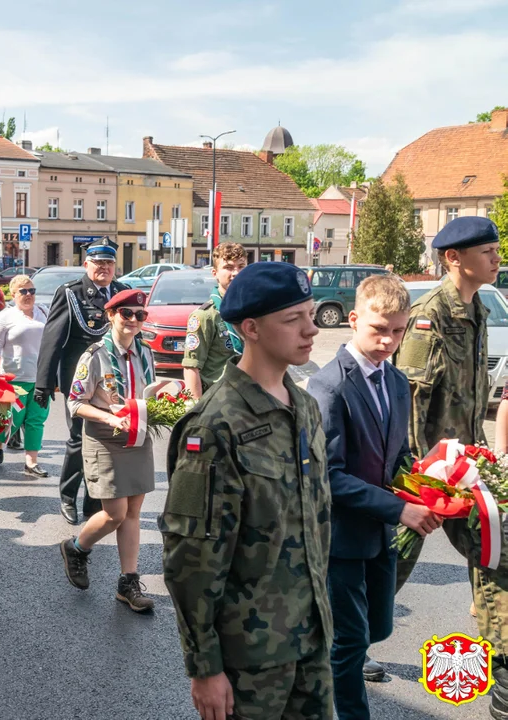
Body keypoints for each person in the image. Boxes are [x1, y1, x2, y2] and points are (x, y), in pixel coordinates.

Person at [159, 262, 331, 720]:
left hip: (310, 640)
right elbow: (190, 561)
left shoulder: (306, 408)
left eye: (311, 314)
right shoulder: (215, 426)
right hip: (248, 659)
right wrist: (204, 667)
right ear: (251, 328)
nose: (311, 329)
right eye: (294, 319)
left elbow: (317, 524)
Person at [307, 274, 442, 719]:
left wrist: (435, 486)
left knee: (376, 628)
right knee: (350, 640)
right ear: (353, 319)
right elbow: (331, 475)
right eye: (378, 329)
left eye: (398, 331)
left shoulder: (398, 382)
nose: (388, 340)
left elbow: (398, 455)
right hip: (342, 536)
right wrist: (400, 508)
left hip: (381, 532)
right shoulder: (330, 386)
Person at [391, 217, 508, 714]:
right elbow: (411, 402)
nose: (497, 258)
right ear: (453, 258)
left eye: (497, 249)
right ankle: (336, 645)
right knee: (389, 562)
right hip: (427, 471)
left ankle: (501, 665)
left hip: (465, 462)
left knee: (495, 547)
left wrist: (480, 460)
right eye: (487, 250)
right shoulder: (429, 315)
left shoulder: (476, 306)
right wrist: (422, 482)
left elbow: (473, 396)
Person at [58, 288, 159, 614]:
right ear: (111, 315)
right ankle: (77, 548)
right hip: (105, 439)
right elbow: (76, 402)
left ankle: (128, 582)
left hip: (137, 439)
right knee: (114, 513)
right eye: (126, 314)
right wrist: (108, 416)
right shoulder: (95, 355)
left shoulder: (145, 353)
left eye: (139, 315)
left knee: (133, 512)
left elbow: (149, 393)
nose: (133, 320)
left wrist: (167, 401)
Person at [34, 237, 129, 525]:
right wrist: (44, 382)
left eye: (109, 263)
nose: (104, 268)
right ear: (86, 264)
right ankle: (67, 496)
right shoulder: (71, 293)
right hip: (80, 380)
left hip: (113, 382)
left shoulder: (121, 292)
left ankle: (93, 499)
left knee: (107, 439)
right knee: (78, 439)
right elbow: (53, 339)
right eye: (98, 262)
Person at [0, 273, 49, 475]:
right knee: (11, 419)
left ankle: (31, 462)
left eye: (31, 291)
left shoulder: (43, 312)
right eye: (23, 291)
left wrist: (53, 373)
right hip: (14, 380)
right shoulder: (5, 317)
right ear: (13, 295)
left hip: (40, 377)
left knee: (36, 419)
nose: (28, 295)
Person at [182, 242, 246, 400]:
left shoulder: (253, 313)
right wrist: (197, 412)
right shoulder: (205, 316)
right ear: (215, 273)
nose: (236, 273)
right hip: (218, 403)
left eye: (241, 266)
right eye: (229, 267)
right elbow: (192, 368)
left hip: (249, 401)